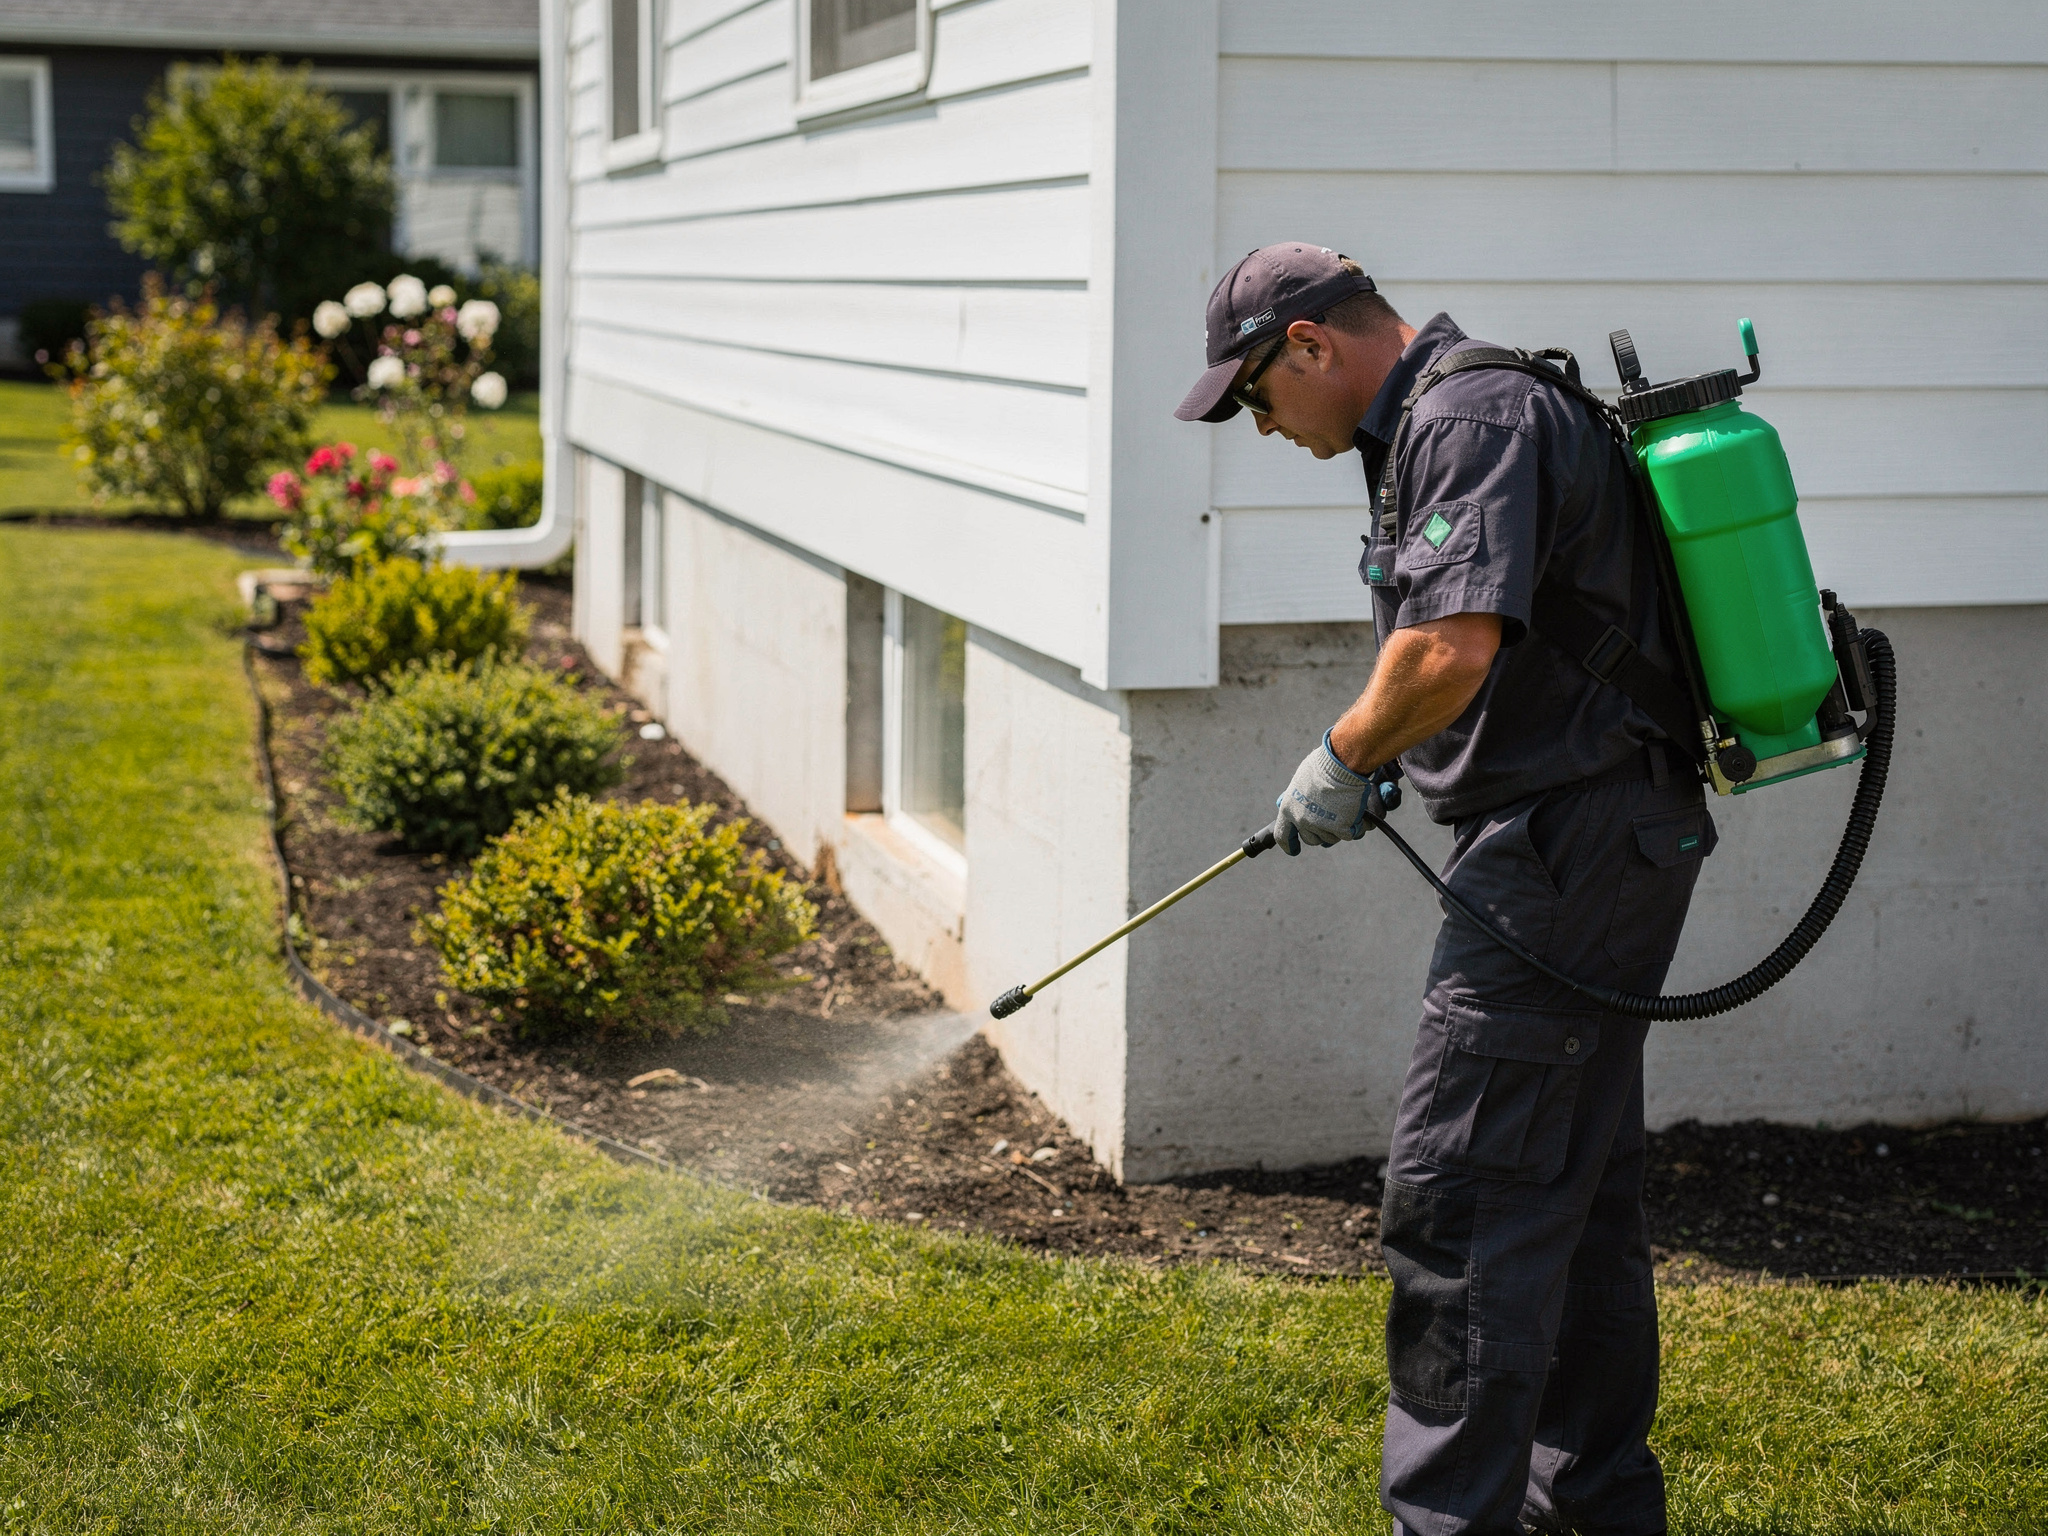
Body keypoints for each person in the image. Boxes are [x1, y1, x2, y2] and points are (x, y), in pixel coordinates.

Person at [1176, 243, 1718, 1536]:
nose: (1258, 426)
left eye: (1254, 395)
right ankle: (1590, 1510)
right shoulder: (1452, 417)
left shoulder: (1467, 416)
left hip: (1563, 853)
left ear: (1310, 347)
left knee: (1464, 1203)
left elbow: (1447, 646)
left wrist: (1344, 753)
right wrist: (1395, 756)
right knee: (1572, 1202)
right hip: (1593, 838)